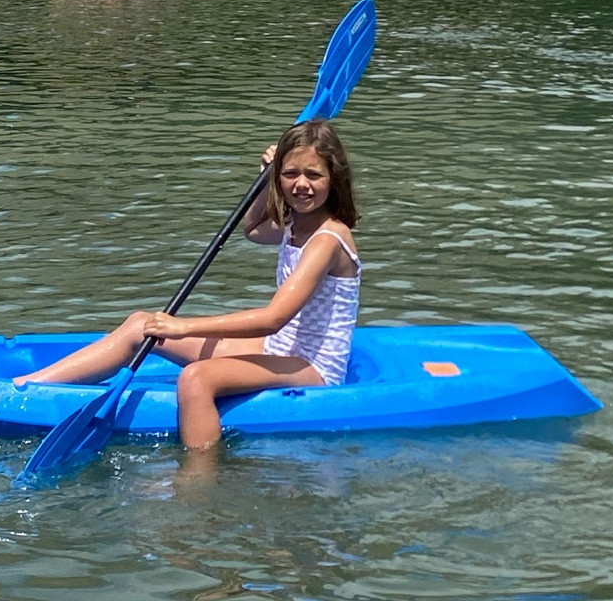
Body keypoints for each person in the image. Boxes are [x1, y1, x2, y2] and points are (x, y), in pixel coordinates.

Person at [18, 121, 362, 460]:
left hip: (314, 365)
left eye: (313, 175)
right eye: (290, 174)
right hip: (282, 347)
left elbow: (272, 319)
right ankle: (29, 386)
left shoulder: (328, 240)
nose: (301, 184)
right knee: (142, 326)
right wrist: (264, 178)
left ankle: (199, 487)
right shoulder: (294, 223)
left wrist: (183, 326)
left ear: (334, 179)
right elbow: (254, 229)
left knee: (196, 379)